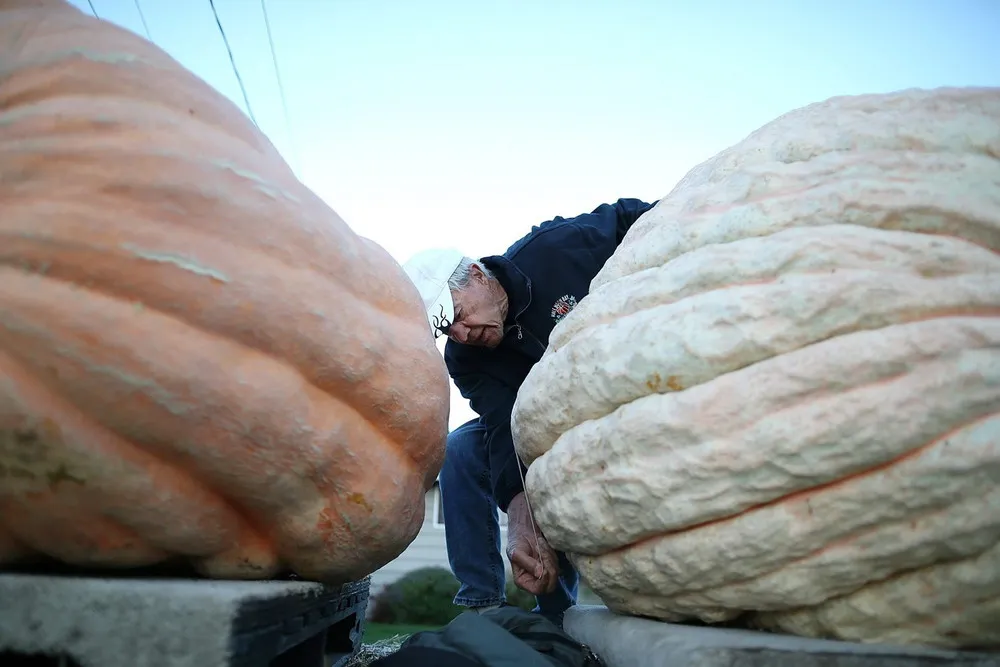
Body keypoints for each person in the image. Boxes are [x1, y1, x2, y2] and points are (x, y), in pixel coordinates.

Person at [402, 197, 657, 627]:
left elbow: (640, 216)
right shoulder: (466, 360)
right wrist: (521, 519)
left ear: (479, 275)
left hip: (635, 391)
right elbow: (506, 427)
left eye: (460, 315)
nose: (461, 334)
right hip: (551, 434)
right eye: (448, 329)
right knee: (462, 452)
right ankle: (496, 612)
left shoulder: (557, 248)